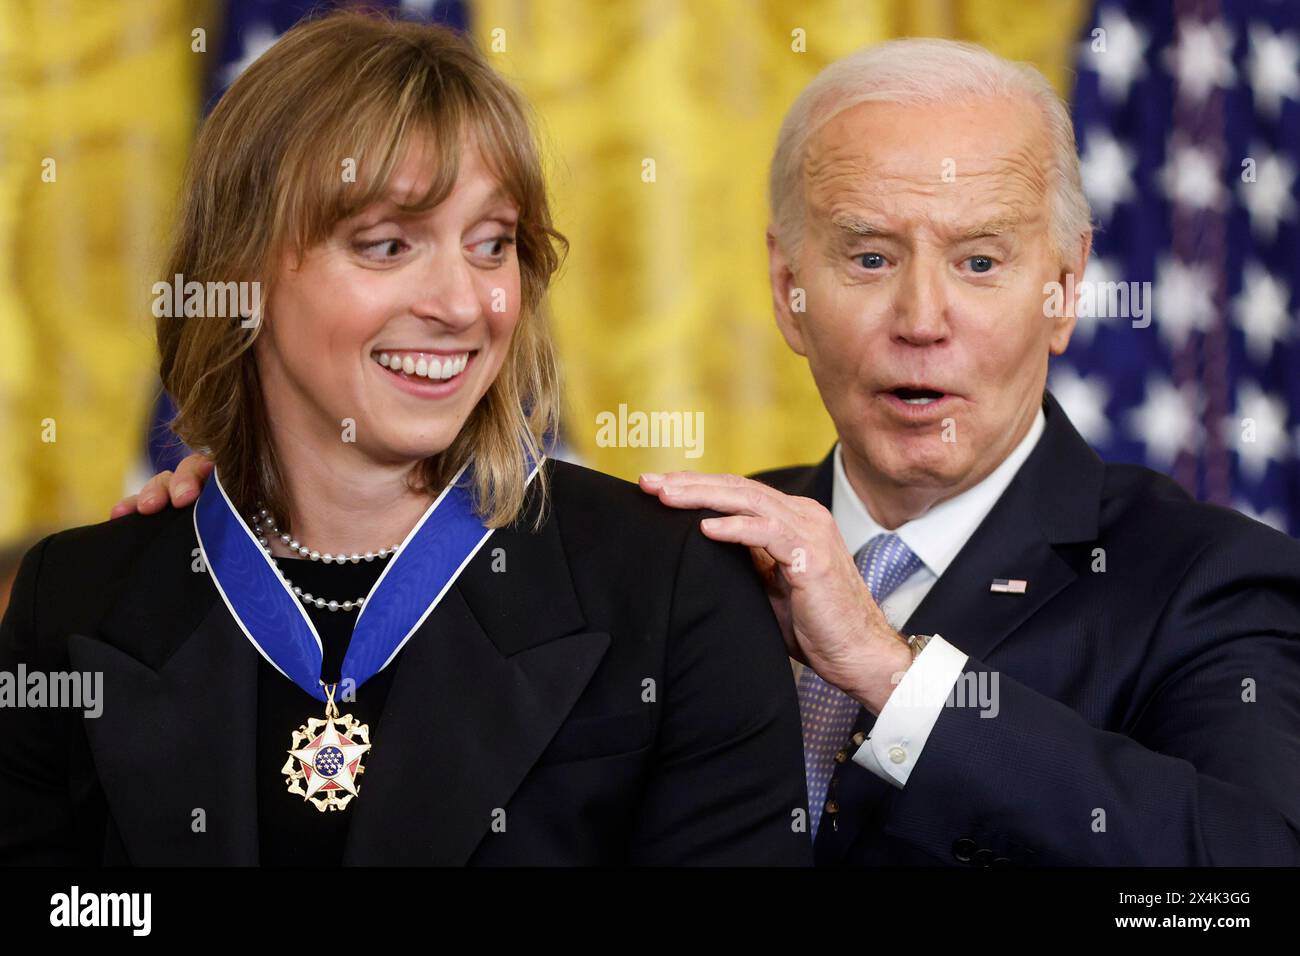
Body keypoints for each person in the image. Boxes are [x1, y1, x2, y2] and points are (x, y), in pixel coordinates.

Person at [120, 38, 1300, 867]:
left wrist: (894, 677)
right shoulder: (678, 556)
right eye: (870, 257)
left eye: (982, 261)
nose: (922, 314)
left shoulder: (1200, 580)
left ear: (1065, 288)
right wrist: (260, 528)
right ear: (789, 291)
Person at [0, 11, 811, 867]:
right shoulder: (74, 601)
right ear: (242, 274)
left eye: (492, 244)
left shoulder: (671, 588)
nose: (463, 304)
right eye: (389, 246)